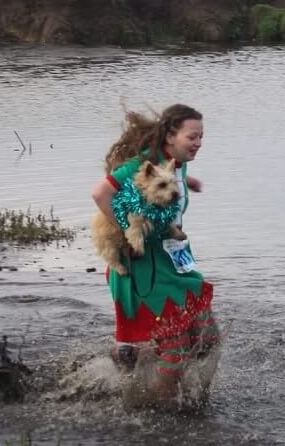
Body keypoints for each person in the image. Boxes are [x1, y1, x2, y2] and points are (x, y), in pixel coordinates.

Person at [91, 104, 219, 394]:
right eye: (192, 137)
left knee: (207, 337)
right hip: (144, 268)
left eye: (201, 137)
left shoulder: (176, 163)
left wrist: (187, 182)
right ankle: (154, 414)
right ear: (171, 136)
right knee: (176, 351)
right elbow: (100, 193)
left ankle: (134, 359)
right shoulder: (141, 165)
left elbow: (165, 186)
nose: (198, 143)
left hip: (173, 263)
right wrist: (126, 229)